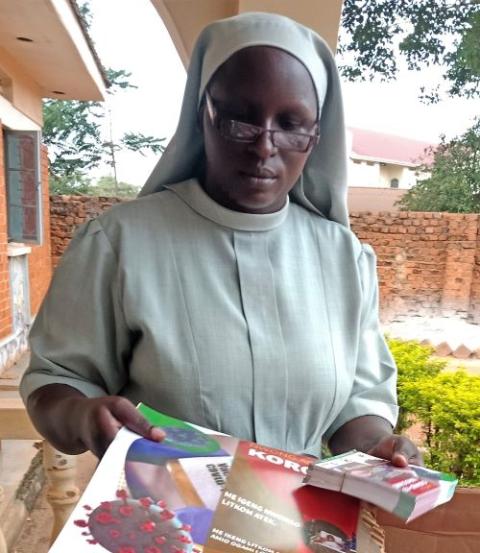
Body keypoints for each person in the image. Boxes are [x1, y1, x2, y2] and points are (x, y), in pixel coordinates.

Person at [20, 12, 421, 465]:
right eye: (241, 119)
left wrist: (378, 448)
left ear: (315, 137)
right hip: (163, 520)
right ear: (202, 116)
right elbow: (56, 380)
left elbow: (359, 401)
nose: (265, 146)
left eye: (291, 124)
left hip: (300, 524)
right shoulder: (119, 244)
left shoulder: (344, 258)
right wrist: (79, 413)